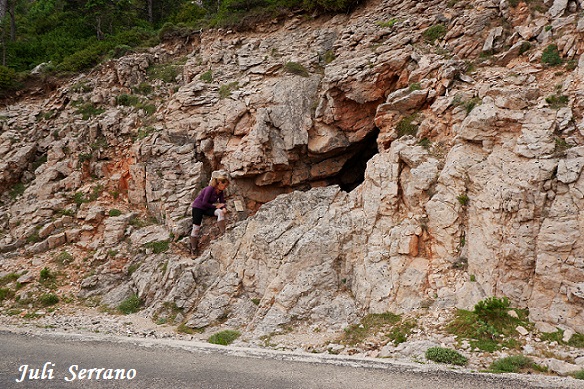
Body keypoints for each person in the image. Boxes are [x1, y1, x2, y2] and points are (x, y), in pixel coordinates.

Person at [190, 172, 230, 254]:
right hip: (198, 207)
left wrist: (224, 208)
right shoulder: (210, 189)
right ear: (219, 183)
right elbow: (204, 202)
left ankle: (223, 233)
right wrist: (216, 207)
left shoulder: (220, 191)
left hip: (207, 208)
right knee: (196, 228)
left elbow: (222, 202)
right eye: (224, 185)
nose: (225, 187)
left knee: (220, 212)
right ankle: (193, 249)